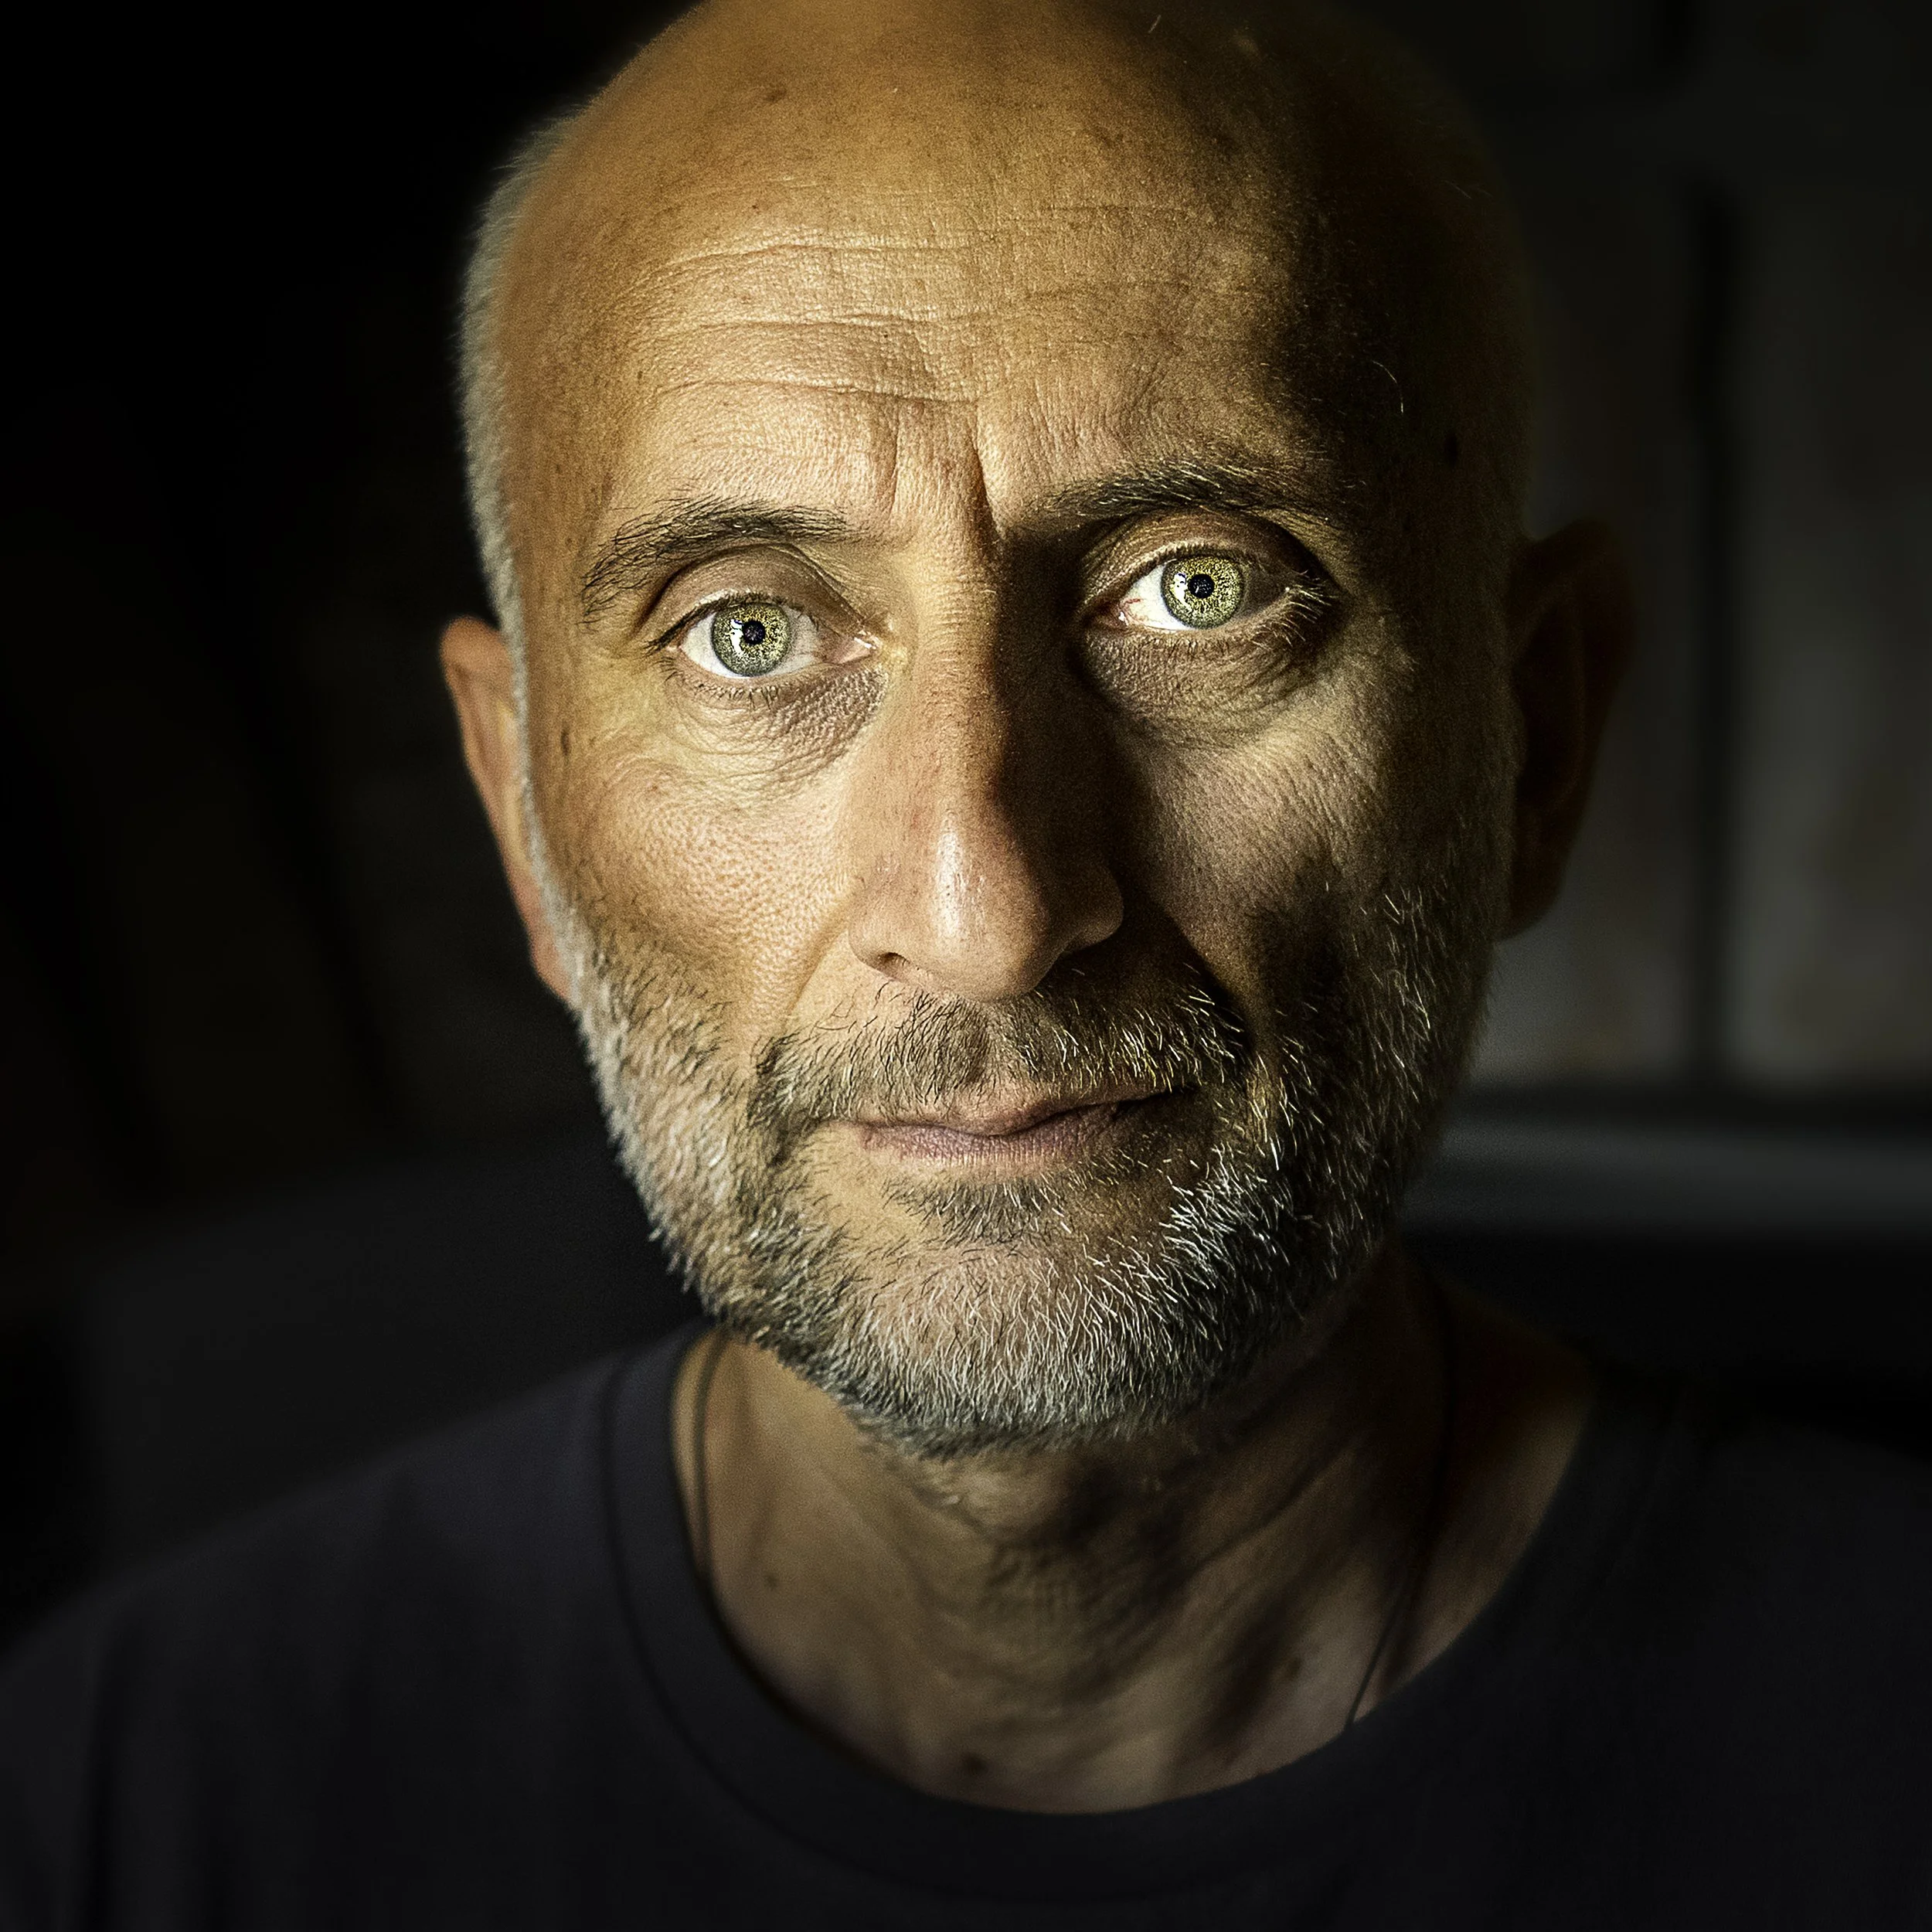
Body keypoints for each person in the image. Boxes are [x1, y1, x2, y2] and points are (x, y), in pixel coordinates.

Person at [4, 0, 1928, 1923]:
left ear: (1533, 740)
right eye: (748, 632)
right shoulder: (114, 1800)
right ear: (523, 816)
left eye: (1197, 589)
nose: (987, 908)